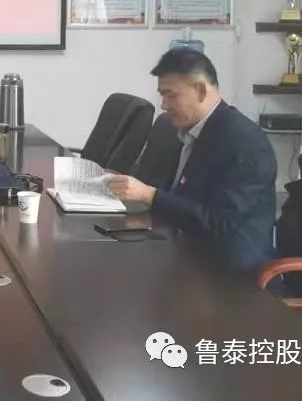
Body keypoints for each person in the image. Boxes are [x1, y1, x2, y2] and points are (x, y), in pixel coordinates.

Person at [105, 48, 277, 273]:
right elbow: (174, 193)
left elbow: (221, 225)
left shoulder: (245, 142)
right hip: (183, 251)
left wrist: (149, 195)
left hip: (230, 273)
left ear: (201, 91)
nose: (163, 105)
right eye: (162, 95)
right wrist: (130, 186)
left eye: (170, 95)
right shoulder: (186, 130)